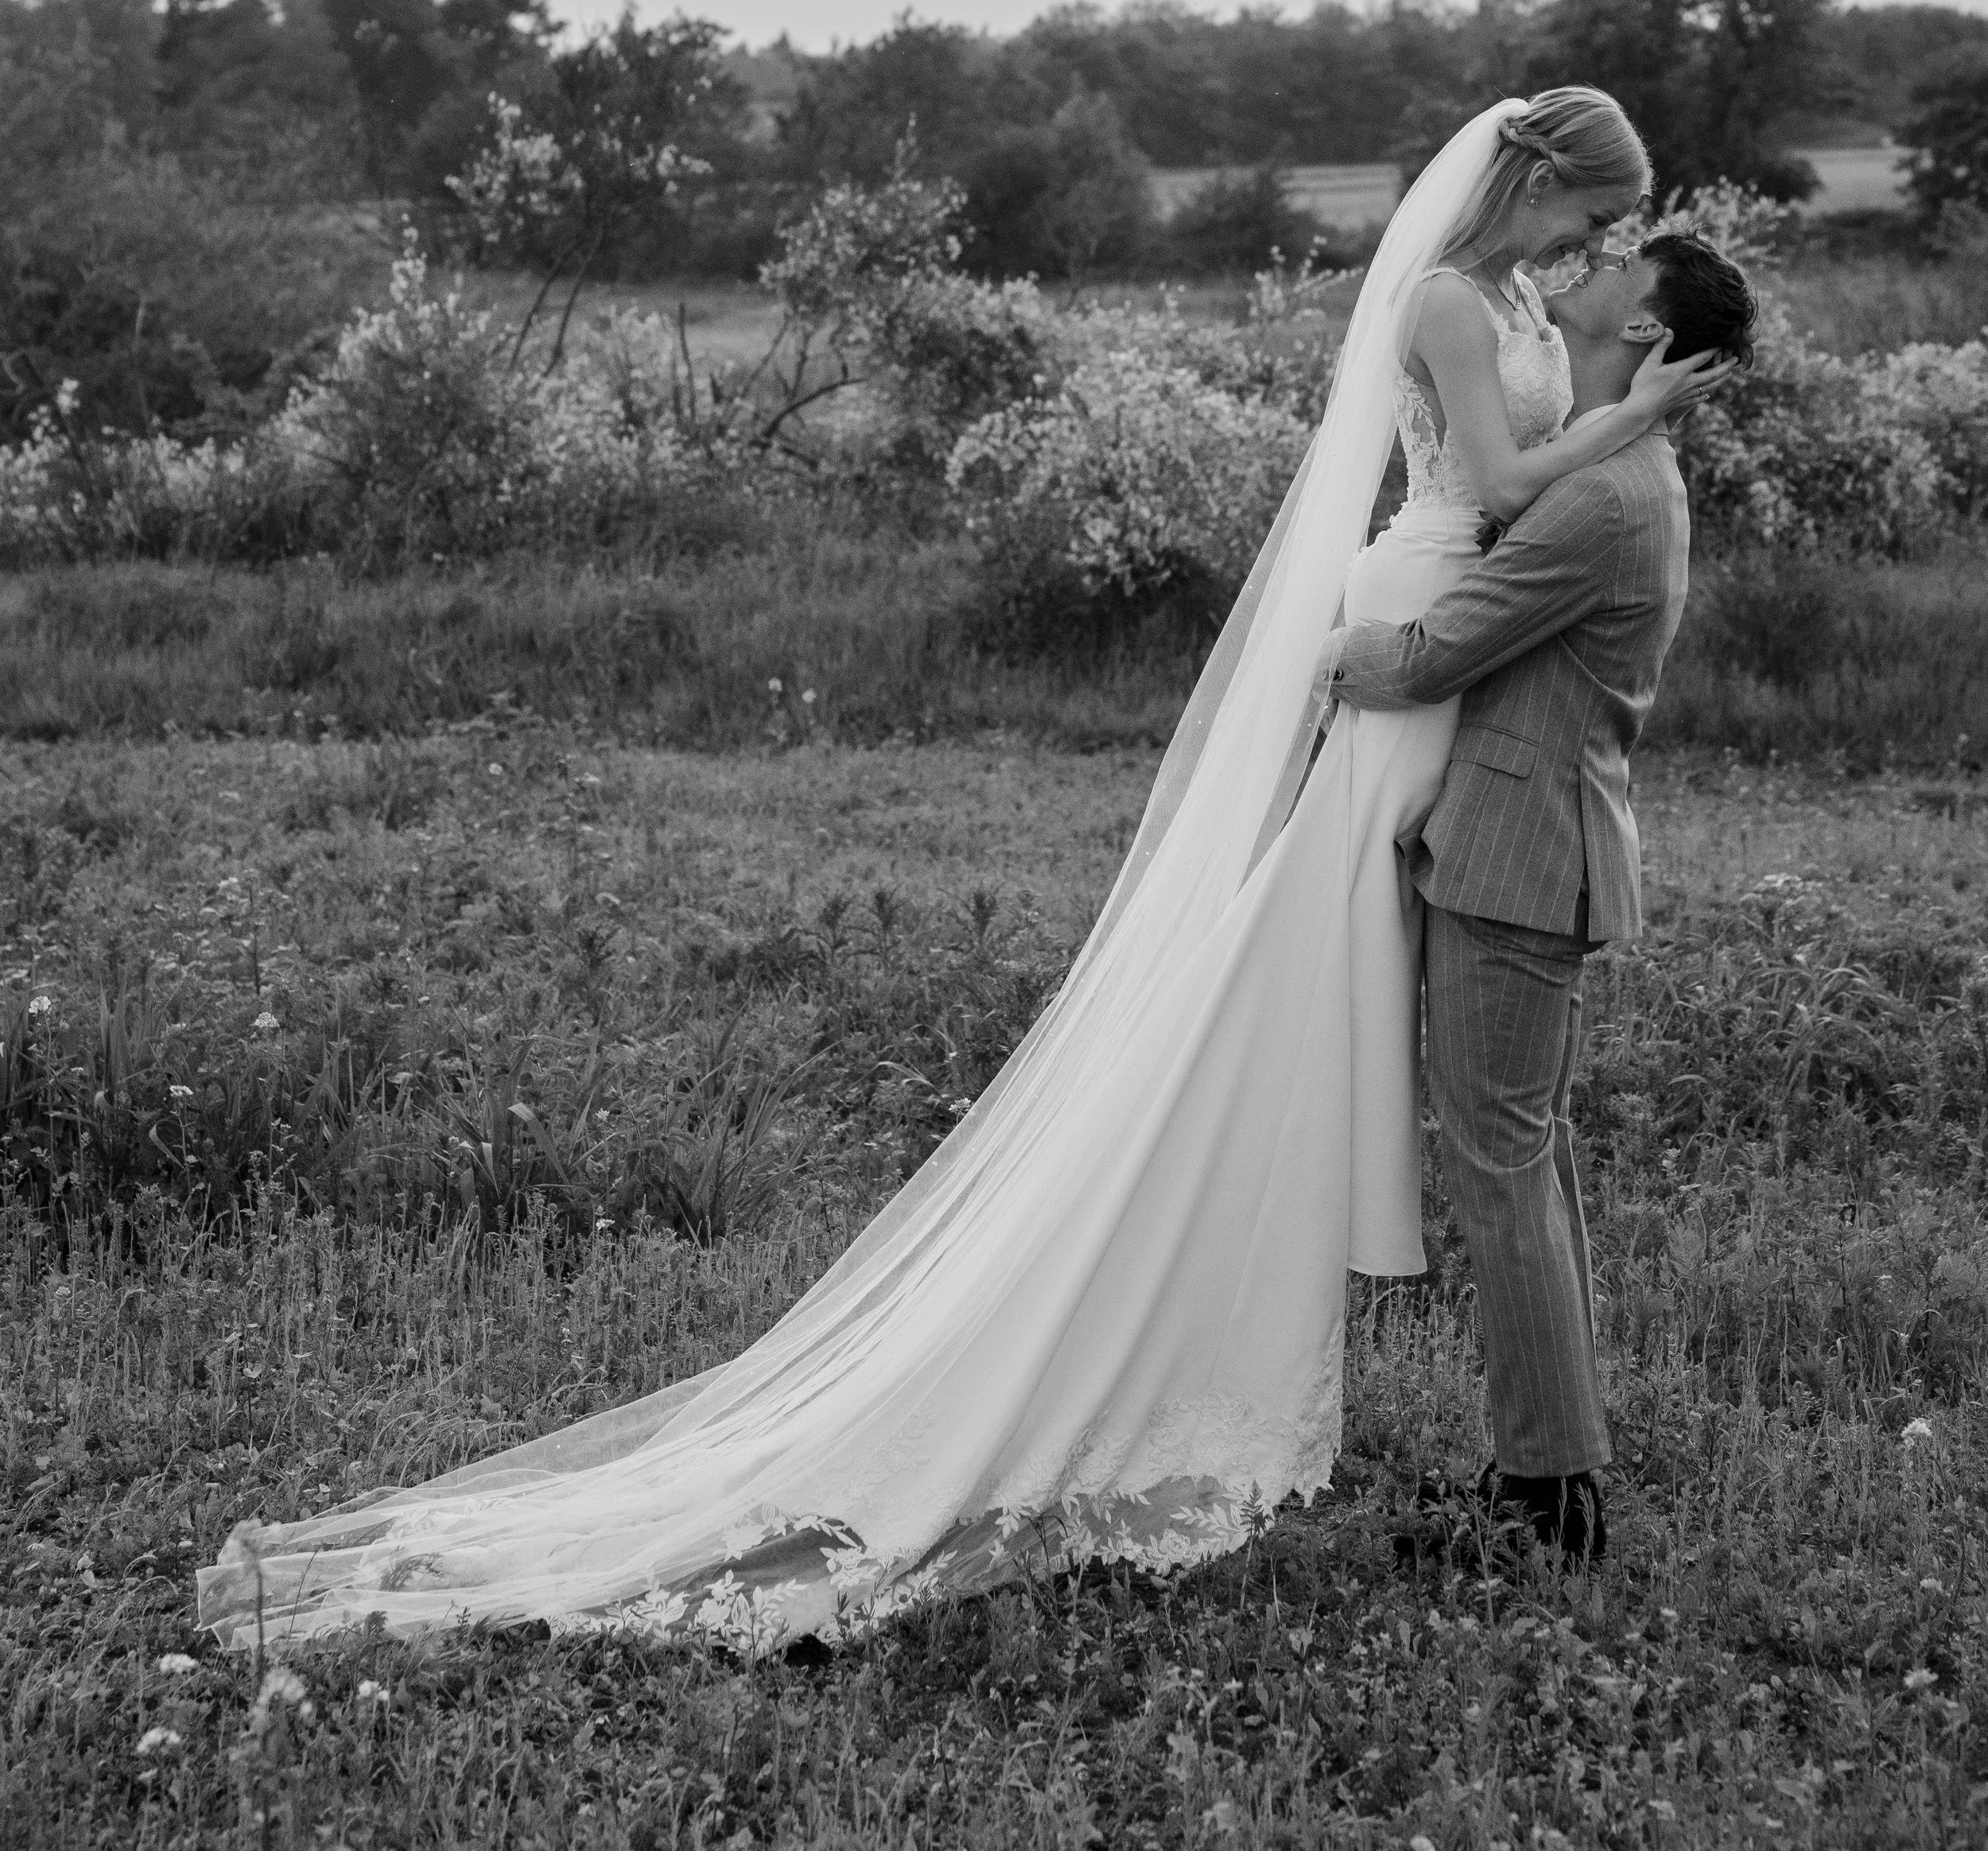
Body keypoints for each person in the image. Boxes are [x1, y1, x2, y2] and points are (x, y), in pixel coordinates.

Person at [198, 93, 1730, 1656]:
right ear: (1534, 181)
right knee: (1287, 995)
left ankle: (1449, 1398)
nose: (1587, 253)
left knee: (1370, 1033)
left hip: (1466, 687)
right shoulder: (1443, 300)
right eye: (1583, 219)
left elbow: (1537, 489)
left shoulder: (1532, 301)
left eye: (1607, 243)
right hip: (1426, 614)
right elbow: (1490, 481)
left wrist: (1607, 419)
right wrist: (1624, 424)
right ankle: (1212, 1299)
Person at [1316, 227, 1758, 1568]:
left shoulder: (1607, 496)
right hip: (1530, 845)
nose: (1601, 263)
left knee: (1503, 1175)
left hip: (1519, 857)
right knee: (1521, 1168)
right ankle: (1547, 1482)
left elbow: (1431, 657)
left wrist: (1318, 642)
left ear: (1645, 335)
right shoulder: (1613, 470)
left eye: (1629, 268)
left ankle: (1547, 1501)